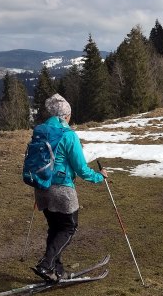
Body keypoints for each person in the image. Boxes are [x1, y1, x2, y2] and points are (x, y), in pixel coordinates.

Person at [32, 93, 107, 282]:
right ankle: (46, 264)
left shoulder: (40, 131)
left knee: (55, 229)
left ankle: (56, 270)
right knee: (68, 227)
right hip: (62, 189)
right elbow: (81, 169)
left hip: (41, 187)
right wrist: (99, 177)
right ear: (65, 116)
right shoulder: (68, 135)